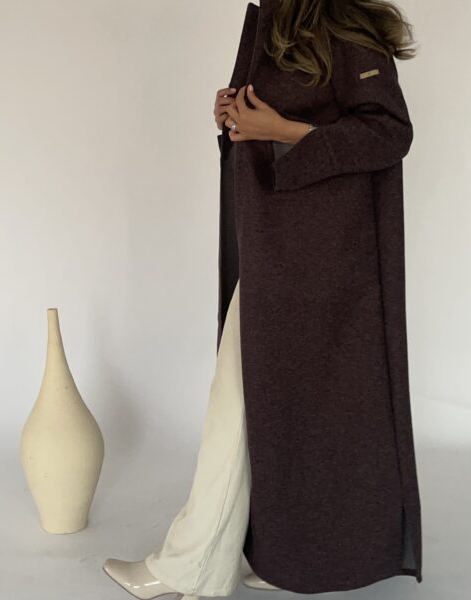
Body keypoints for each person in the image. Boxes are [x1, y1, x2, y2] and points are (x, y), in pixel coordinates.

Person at [103, 0, 421, 598]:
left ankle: (190, 567)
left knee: (243, 400)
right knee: (269, 408)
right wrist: (235, 120)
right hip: (280, 250)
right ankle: (280, 558)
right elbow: (272, 128)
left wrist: (282, 131)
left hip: (324, 261)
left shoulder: (343, 24)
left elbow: (389, 132)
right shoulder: (278, 24)